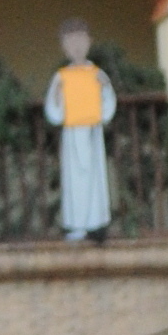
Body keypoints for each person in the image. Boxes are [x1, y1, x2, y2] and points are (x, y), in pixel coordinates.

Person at [45, 22, 116, 242]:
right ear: (64, 46)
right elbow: (54, 111)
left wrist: (104, 87)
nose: (76, 46)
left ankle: (96, 224)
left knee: (95, 178)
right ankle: (78, 225)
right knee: (74, 180)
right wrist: (58, 95)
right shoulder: (62, 77)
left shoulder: (97, 74)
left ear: (89, 42)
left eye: (80, 40)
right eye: (71, 42)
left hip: (92, 132)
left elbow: (108, 103)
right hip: (72, 134)